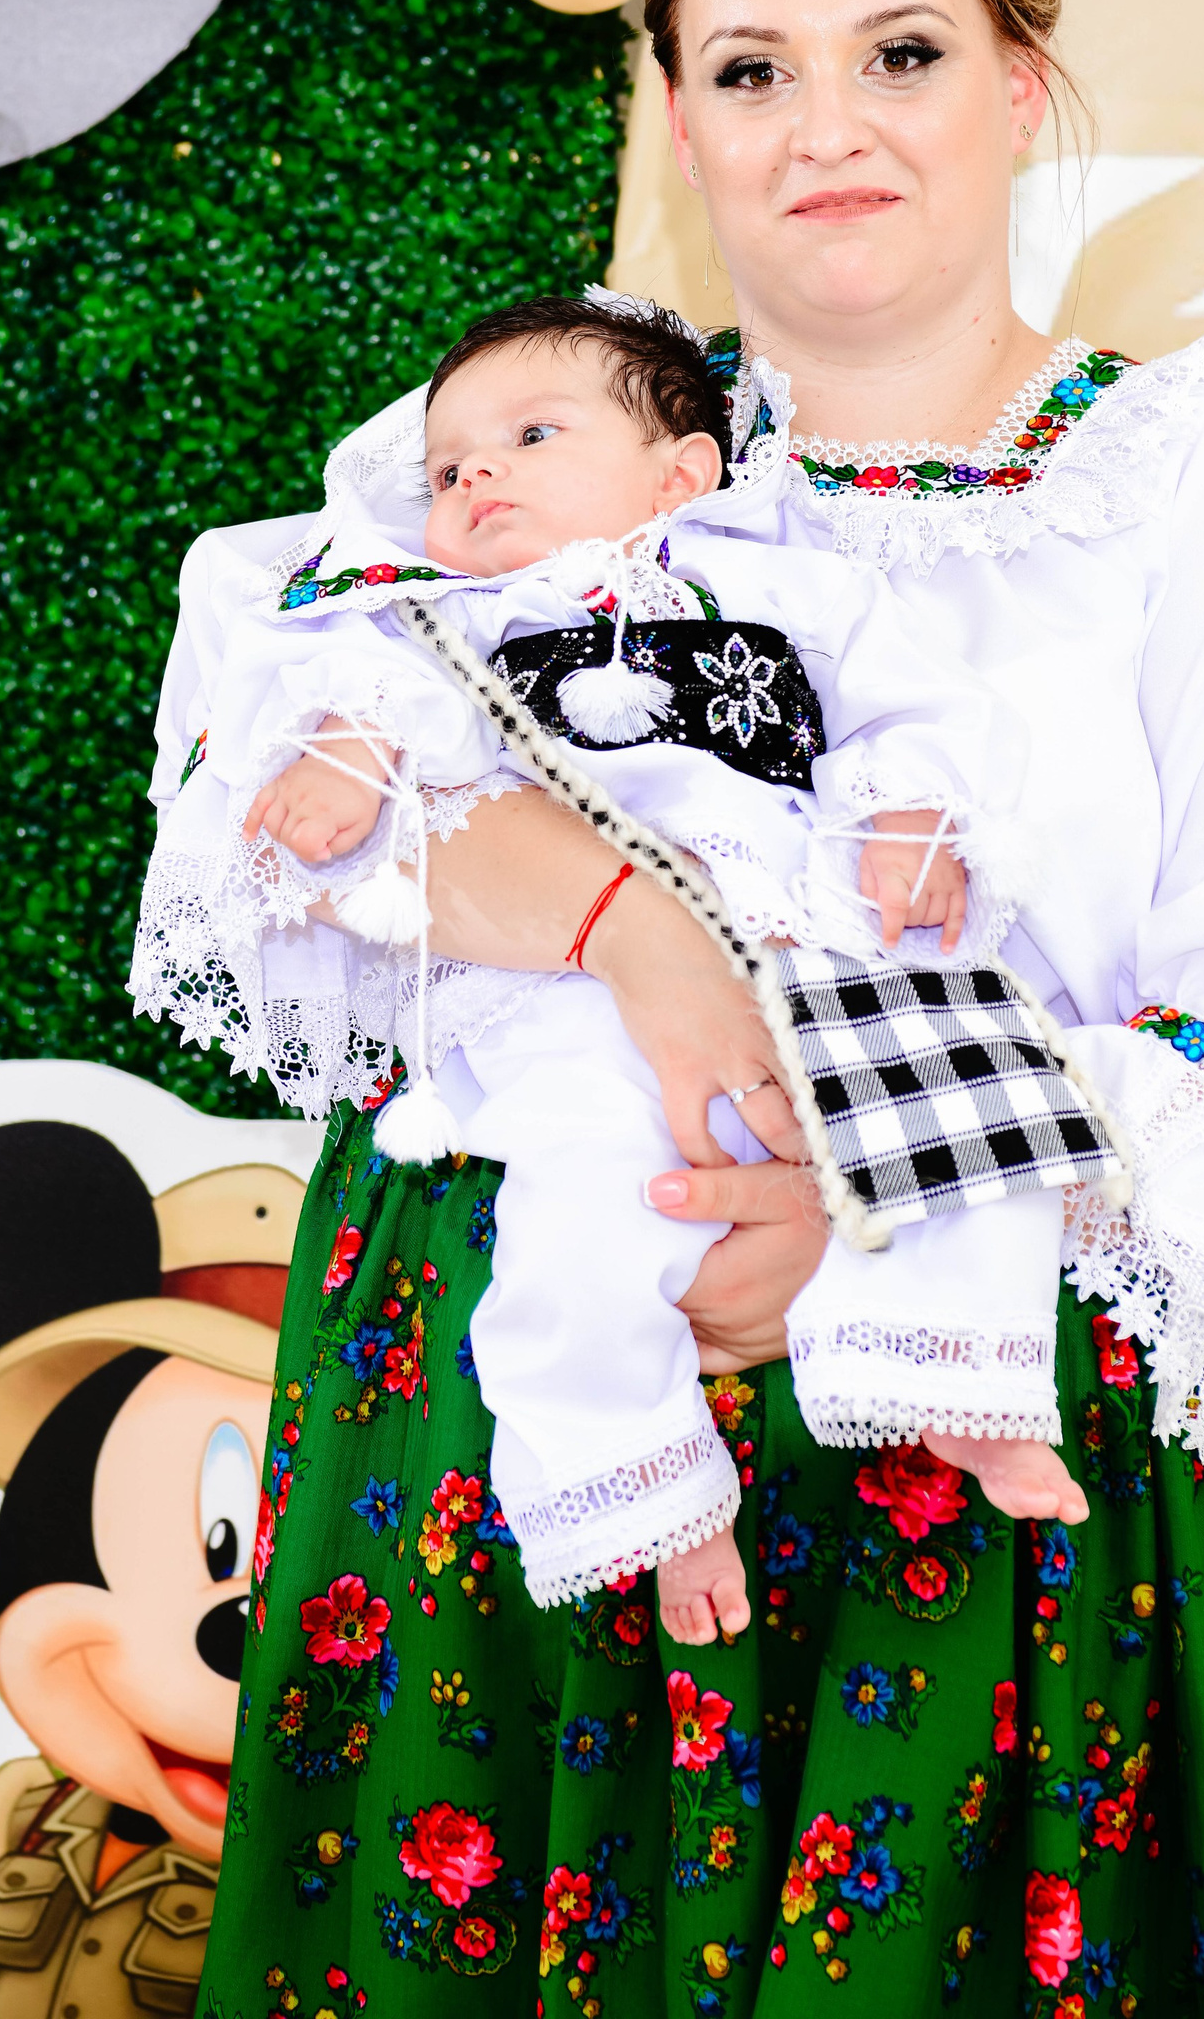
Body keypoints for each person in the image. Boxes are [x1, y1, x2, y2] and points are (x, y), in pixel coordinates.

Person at [180, 0, 1204, 2019]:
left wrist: (876, 1196)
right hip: (542, 1417)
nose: (828, 128)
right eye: (751, 69)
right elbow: (268, 812)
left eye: (902, 52)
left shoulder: (1202, 475)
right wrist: (635, 941)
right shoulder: (532, 445)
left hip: (1040, 1431)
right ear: (680, 123)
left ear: (1021, 84)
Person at [137, 292, 1116, 1648]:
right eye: (447, 469)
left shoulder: (779, 580)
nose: (478, 476)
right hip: (572, 987)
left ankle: (961, 1376)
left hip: (797, 921)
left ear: (681, 472)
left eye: (531, 437)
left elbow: (913, 703)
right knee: (593, 1189)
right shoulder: (451, 614)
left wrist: (911, 810)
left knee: (974, 1088)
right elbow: (382, 701)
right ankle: (637, 1481)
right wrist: (348, 757)